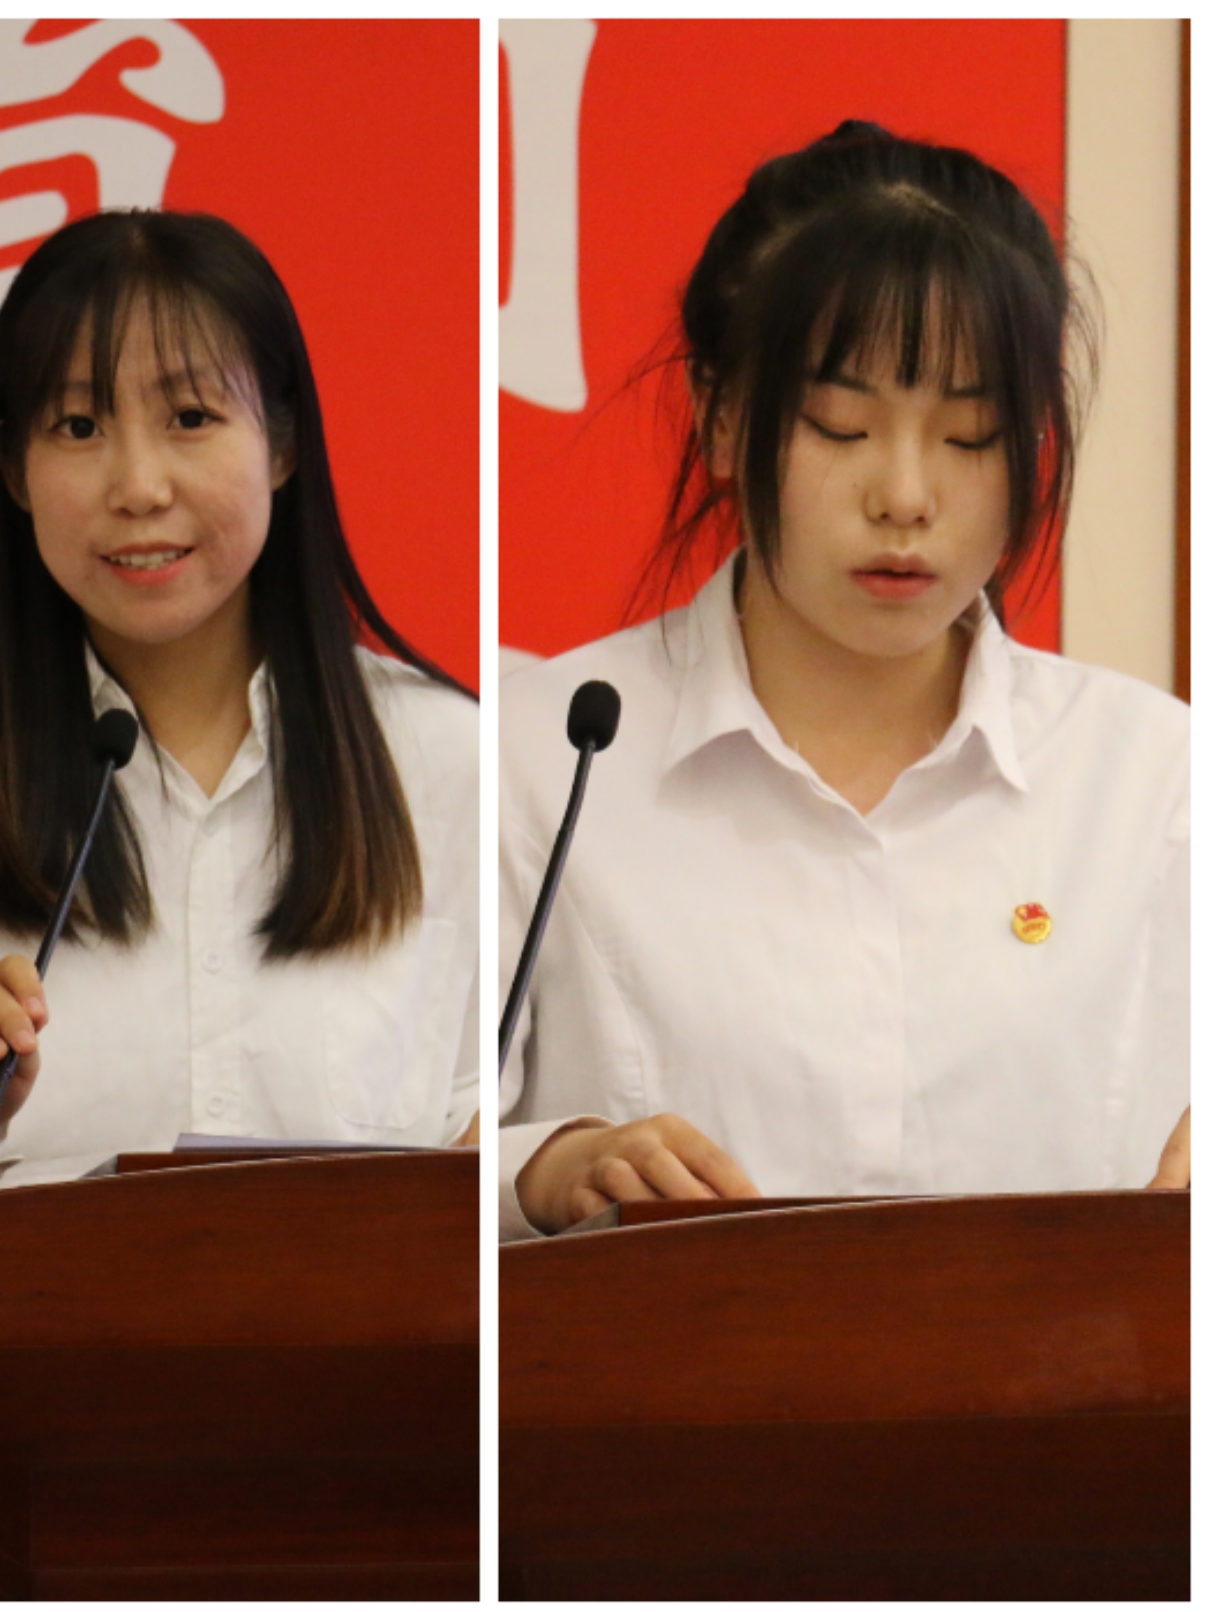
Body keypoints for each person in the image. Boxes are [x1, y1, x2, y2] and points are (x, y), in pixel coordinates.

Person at [0, 210, 479, 1596]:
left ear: (284, 442)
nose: (138, 484)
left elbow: (497, 1131)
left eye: (192, 417)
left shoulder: (443, 761)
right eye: (80, 426)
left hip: (371, 1523)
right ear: (11, 466)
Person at [498, 121, 1189, 1245]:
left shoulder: (1153, 777)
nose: (905, 496)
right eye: (842, 426)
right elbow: (406, 1157)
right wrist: (546, 1169)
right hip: (655, 1363)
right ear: (723, 418)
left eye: (971, 437)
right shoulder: (544, 757)